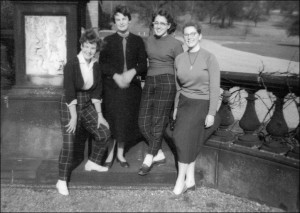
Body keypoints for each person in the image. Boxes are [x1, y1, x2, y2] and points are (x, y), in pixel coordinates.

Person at [56, 28, 111, 196]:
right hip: (70, 104)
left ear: (97, 49)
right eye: (87, 46)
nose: (89, 50)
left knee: (104, 132)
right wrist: (73, 117)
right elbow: (69, 92)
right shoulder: (72, 64)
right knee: (69, 143)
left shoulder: (96, 65)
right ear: (81, 45)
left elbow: (97, 92)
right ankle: (61, 180)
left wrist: (100, 115)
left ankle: (93, 162)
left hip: (87, 103)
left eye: (93, 47)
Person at [171, 22, 221, 195]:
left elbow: (215, 87)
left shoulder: (209, 58)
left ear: (200, 36)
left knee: (183, 138)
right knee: (183, 138)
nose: (190, 37)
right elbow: (178, 87)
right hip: (184, 103)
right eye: (186, 34)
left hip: (201, 104)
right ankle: (190, 180)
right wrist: (176, 107)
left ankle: (181, 181)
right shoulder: (179, 59)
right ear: (183, 37)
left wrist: (211, 113)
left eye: (193, 34)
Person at [99, 5, 147, 168]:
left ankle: (120, 153)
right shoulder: (108, 41)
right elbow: (102, 64)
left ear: (129, 20)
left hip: (131, 88)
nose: (121, 22)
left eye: (123, 19)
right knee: (113, 118)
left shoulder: (138, 40)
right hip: (113, 87)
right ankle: (109, 154)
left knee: (125, 121)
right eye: (117, 19)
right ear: (114, 22)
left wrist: (132, 72)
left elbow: (143, 64)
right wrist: (116, 75)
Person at [138, 9, 184, 176]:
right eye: (156, 23)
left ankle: (149, 157)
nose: (158, 26)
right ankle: (158, 152)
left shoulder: (176, 44)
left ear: (169, 26)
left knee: (158, 122)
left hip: (167, 82)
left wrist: (179, 96)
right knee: (142, 122)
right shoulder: (148, 41)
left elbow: (182, 70)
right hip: (150, 81)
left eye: (162, 23)